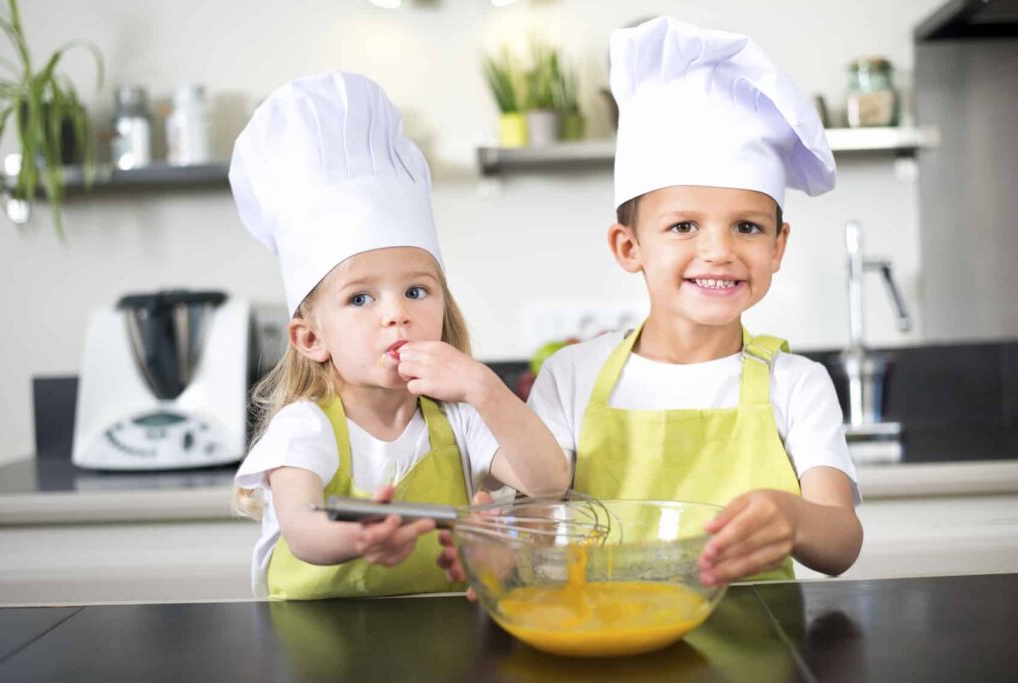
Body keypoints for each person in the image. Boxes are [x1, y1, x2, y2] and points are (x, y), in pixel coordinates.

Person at [522, 18, 862, 586]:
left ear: (778, 247)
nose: (719, 251)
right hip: (602, 644)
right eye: (683, 226)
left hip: (759, 654)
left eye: (748, 228)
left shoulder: (797, 384)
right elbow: (533, 522)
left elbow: (841, 543)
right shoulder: (570, 375)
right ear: (628, 247)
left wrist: (795, 518)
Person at [229, 71, 570, 600]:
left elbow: (548, 482)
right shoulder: (307, 427)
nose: (396, 315)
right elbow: (301, 528)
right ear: (310, 338)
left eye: (416, 291)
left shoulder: (460, 421)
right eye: (360, 299)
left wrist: (485, 388)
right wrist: (360, 537)